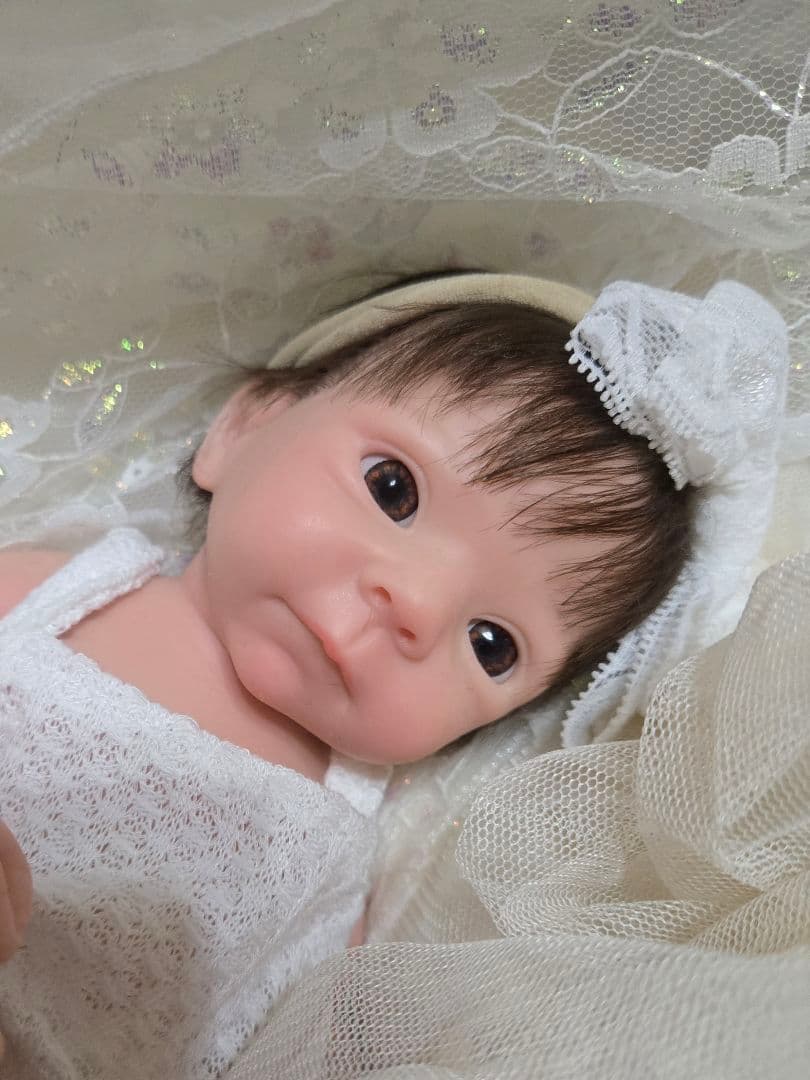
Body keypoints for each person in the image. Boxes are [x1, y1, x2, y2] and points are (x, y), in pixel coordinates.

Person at [0, 272, 788, 1077]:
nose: (416, 602)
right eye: (393, 490)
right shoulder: (53, 595)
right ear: (242, 428)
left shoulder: (341, 855)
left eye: (490, 643)